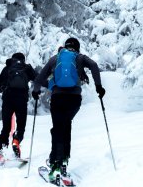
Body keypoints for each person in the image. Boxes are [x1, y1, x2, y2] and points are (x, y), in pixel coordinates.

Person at [32, 37, 105, 183]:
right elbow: (94, 66)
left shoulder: (56, 58)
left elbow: (40, 76)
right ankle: (64, 161)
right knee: (66, 127)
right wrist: (98, 86)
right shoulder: (79, 57)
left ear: (65, 47)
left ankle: (55, 166)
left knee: (58, 129)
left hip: (58, 98)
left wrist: (36, 91)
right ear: (77, 47)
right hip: (74, 100)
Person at [0, 52, 36, 161]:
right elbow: (38, 79)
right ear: (23, 59)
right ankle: (16, 140)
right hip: (21, 100)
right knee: (21, 126)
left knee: (6, 128)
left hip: (8, 99)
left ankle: (2, 153)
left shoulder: (7, 68)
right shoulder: (26, 68)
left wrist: (3, 87)